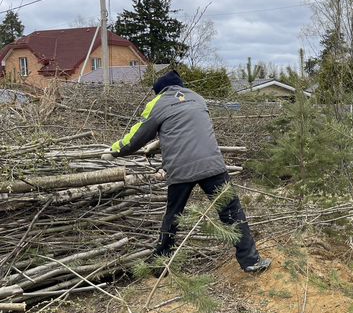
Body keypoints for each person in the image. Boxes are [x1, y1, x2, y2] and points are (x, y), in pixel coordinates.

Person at [106, 70, 271, 274]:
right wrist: (159, 142)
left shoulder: (157, 103)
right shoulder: (198, 99)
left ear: (159, 91)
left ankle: (161, 266)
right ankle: (251, 261)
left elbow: (137, 136)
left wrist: (114, 151)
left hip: (181, 168)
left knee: (174, 216)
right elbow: (188, 128)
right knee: (232, 212)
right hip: (212, 165)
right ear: (180, 85)